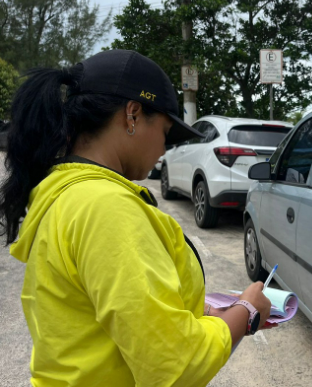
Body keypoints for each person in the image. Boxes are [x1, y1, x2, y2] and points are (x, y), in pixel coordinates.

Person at [0, 50, 274, 387]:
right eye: (164, 132)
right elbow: (175, 365)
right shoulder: (105, 207)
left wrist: (186, 308)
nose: (164, 149)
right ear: (132, 115)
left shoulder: (65, 194)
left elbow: (105, 306)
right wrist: (247, 312)